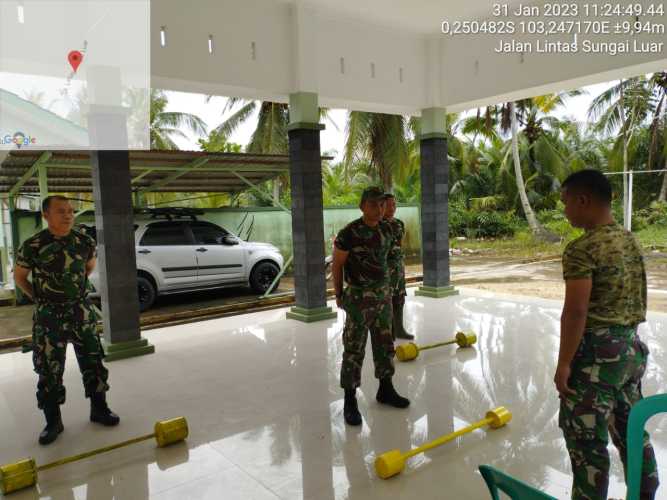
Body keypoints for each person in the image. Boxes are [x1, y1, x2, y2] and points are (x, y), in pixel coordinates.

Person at [554, 170, 659, 500]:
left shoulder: (582, 249)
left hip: (597, 357)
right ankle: (645, 492)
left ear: (582, 200)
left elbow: (576, 312)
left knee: (587, 444)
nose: (565, 211)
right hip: (631, 351)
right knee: (632, 430)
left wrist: (564, 364)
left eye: (566, 203)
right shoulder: (630, 240)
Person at [14, 195, 120, 445]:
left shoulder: (84, 241)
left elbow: (88, 268)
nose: (68, 215)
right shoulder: (33, 245)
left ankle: (99, 409)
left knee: (93, 361)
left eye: (71, 211)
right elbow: (20, 277)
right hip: (49, 317)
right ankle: (53, 422)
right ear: (46, 215)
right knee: (49, 369)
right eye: (61, 211)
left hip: (81, 313)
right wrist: (38, 298)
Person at [332, 187, 410, 426]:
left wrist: (390, 289)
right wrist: (338, 294)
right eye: (374, 204)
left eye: (381, 205)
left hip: (383, 299)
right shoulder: (349, 233)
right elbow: (337, 265)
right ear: (362, 206)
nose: (379, 209)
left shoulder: (389, 230)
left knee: (385, 346)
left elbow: (388, 262)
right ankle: (350, 399)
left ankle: (385, 389)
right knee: (354, 349)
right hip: (358, 300)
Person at [383, 193, 414, 340]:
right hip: (383, 270)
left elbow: (399, 245)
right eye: (389, 205)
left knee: (399, 297)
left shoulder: (399, 224)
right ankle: (388, 332)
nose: (392, 208)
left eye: (394, 204)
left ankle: (399, 329)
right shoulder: (377, 225)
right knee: (385, 300)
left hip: (398, 268)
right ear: (381, 206)